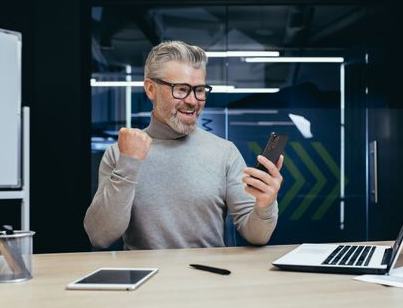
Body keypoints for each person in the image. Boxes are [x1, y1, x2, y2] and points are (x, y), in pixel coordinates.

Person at [84, 40, 284, 250]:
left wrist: (265, 205)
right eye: (181, 89)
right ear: (151, 89)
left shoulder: (225, 152)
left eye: (199, 90)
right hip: (147, 280)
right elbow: (100, 236)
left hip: (209, 278)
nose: (193, 101)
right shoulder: (120, 155)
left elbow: (257, 236)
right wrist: (128, 164)